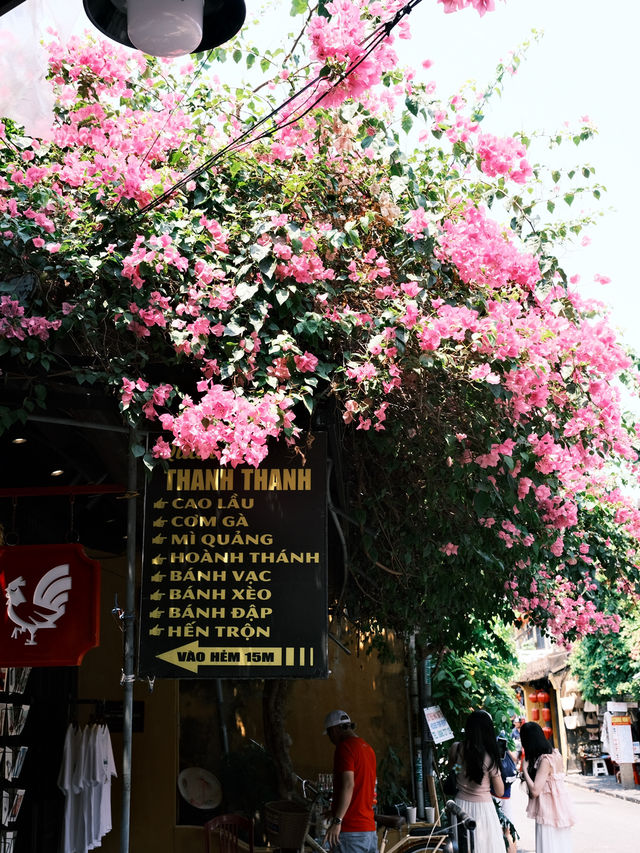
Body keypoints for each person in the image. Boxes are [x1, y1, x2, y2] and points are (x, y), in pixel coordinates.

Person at [448, 710, 505, 853]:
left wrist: (461, 768)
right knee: (485, 847)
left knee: (462, 847)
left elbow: (454, 769)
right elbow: (500, 791)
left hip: (460, 808)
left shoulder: (456, 748)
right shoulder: (490, 757)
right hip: (483, 809)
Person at [323, 710, 377, 853]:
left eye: (329, 734)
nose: (330, 739)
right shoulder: (367, 748)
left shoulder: (345, 748)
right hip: (369, 830)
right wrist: (335, 810)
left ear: (334, 730)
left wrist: (337, 820)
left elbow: (348, 785)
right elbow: (361, 786)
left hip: (351, 831)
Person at [520, 722, 575, 853]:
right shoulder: (556, 754)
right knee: (560, 845)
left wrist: (524, 770)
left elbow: (535, 791)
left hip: (547, 811)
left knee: (548, 846)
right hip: (559, 811)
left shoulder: (545, 760)